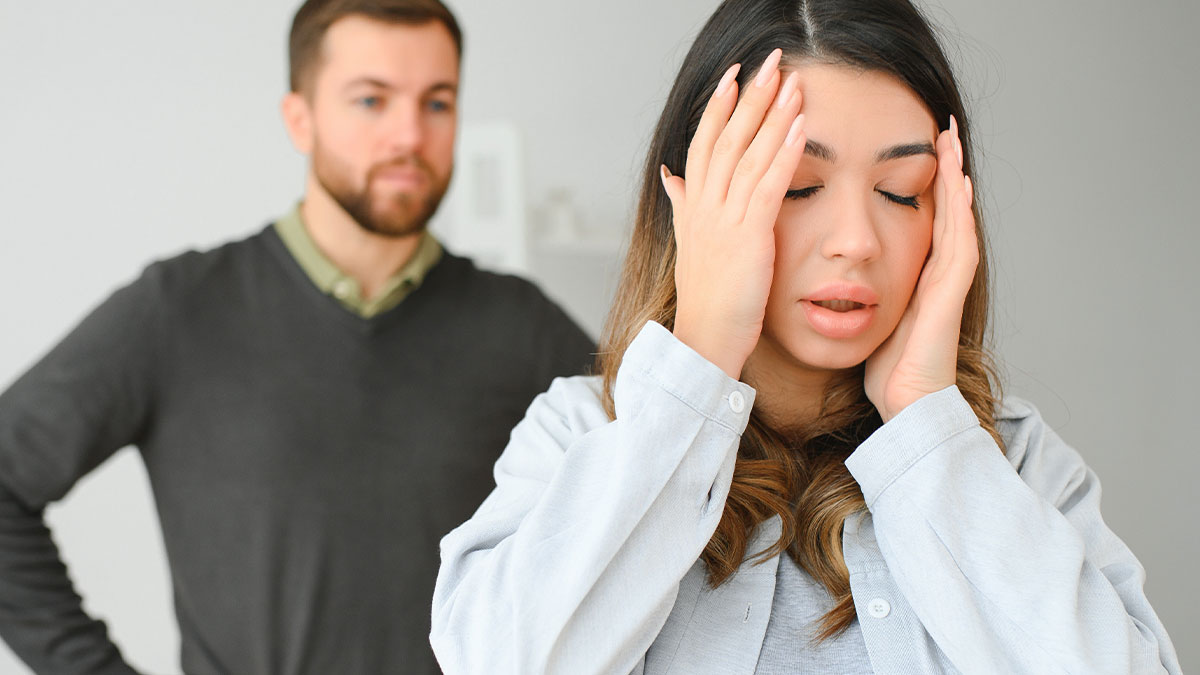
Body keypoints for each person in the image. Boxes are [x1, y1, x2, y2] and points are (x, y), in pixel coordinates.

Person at [429, 0, 1181, 672]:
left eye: (901, 192)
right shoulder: (580, 434)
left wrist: (923, 419)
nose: (855, 239)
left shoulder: (1015, 463)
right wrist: (700, 357)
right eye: (797, 187)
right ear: (700, 202)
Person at [0, 0, 594, 673]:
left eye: (437, 102)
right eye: (371, 100)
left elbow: (657, 494)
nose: (409, 135)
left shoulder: (519, 325)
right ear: (300, 119)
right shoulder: (180, 309)